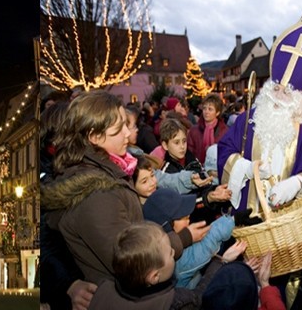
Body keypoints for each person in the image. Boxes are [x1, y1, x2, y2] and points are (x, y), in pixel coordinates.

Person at [41, 91, 210, 287]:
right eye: (118, 129)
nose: (128, 134)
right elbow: (131, 261)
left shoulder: (108, 171)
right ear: (94, 136)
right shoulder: (97, 195)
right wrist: (183, 238)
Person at [218, 16, 302, 216]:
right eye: (276, 88)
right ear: (268, 87)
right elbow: (224, 150)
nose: (278, 97)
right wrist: (245, 169)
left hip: (283, 222)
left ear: (298, 100)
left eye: (286, 93)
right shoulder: (247, 119)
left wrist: (296, 183)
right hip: (245, 215)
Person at [88, 222, 238, 309]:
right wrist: (222, 261)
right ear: (154, 277)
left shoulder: (101, 289)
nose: (174, 251)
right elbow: (201, 295)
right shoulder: (177, 302)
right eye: (170, 254)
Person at [142, 188, 249, 289]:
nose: (188, 218)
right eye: (183, 217)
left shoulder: (164, 242)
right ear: (169, 227)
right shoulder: (171, 262)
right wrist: (233, 220)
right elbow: (205, 246)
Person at [158, 118, 232, 224]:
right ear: (165, 145)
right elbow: (182, 205)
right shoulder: (167, 173)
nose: (182, 146)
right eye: (176, 143)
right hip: (191, 223)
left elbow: (205, 182)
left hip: (208, 216)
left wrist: (215, 190)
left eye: (184, 141)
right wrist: (208, 198)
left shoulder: (192, 159)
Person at [188, 94, 228, 165]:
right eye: (204, 108)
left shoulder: (224, 131)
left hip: (217, 170)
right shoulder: (194, 130)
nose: (206, 112)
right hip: (198, 169)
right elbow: (189, 152)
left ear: (217, 112)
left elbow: (226, 153)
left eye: (210, 109)